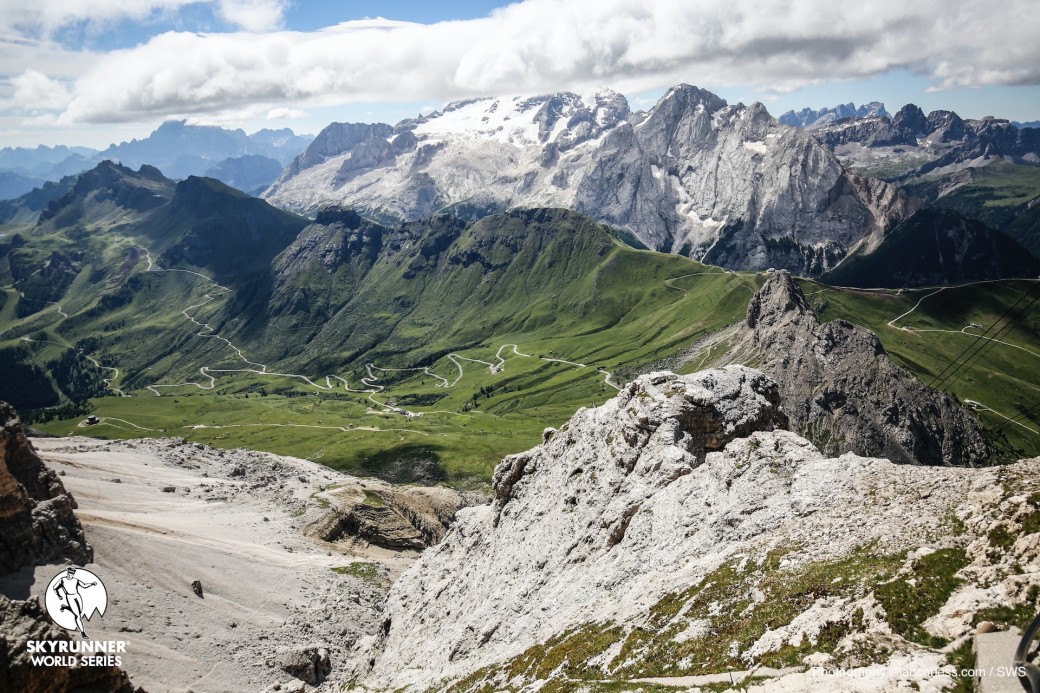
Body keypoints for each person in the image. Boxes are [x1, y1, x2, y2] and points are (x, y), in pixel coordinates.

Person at [54, 566, 97, 639]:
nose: (71, 575)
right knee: (77, 616)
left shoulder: (75, 580)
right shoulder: (62, 580)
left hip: (77, 596)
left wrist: (91, 584)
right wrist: (59, 595)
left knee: (79, 611)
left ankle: (65, 607)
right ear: (68, 573)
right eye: (70, 573)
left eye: (72, 573)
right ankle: (83, 633)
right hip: (69, 597)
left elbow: (83, 585)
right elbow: (55, 588)